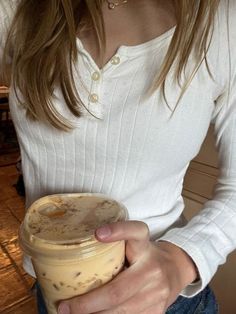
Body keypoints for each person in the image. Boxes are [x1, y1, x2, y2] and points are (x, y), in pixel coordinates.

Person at [1, 0, 236, 313]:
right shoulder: (15, 11)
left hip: (166, 302)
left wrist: (180, 261)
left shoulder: (223, 21)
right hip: (54, 292)